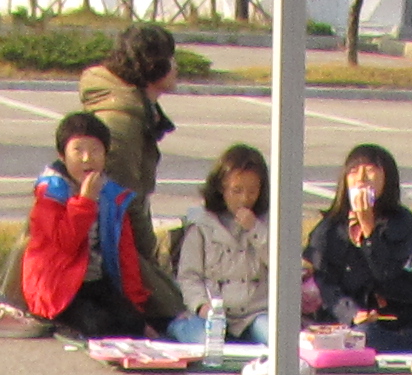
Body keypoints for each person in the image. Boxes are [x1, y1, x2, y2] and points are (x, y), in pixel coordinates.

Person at [302, 144, 412, 352]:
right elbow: (326, 285)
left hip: (399, 304)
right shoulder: (328, 229)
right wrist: (353, 314)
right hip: (354, 312)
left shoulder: (400, 221)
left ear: (387, 179)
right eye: (354, 172)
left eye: (370, 170)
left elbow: (385, 273)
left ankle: (401, 338)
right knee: (364, 334)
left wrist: (369, 229)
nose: (361, 178)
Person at [76, 20, 191, 329]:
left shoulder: (136, 109)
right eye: (171, 57)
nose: (176, 66)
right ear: (153, 65)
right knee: (172, 313)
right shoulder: (121, 121)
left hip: (115, 241)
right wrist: (149, 255)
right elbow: (124, 201)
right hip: (110, 248)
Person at [16, 110, 158, 340]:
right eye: (78, 150)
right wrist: (85, 201)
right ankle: (56, 323)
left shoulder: (111, 195)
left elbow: (125, 253)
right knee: (98, 327)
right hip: (57, 287)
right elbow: (66, 242)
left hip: (94, 279)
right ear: (62, 156)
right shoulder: (50, 193)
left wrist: (135, 306)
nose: (86, 158)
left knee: (131, 324)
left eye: (95, 150)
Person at [170, 140, 271, 344]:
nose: (244, 199)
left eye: (252, 191)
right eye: (237, 190)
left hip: (255, 313)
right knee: (205, 341)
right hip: (213, 312)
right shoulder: (202, 225)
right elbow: (189, 276)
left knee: (277, 339)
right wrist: (202, 306)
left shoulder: (269, 222)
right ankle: (178, 326)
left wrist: (256, 230)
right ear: (221, 188)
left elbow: (283, 266)